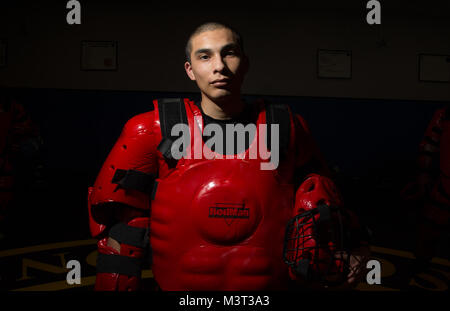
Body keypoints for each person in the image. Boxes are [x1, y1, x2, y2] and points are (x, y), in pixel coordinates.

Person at [88, 22, 370, 291]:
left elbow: (325, 202)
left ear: (245, 63)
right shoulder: (153, 129)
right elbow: (118, 230)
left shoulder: (286, 128)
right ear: (190, 69)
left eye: (229, 53)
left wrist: (355, 246)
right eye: (205, 56)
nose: (219, 66)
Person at [402, 104, 450, 273]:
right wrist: (423, 175)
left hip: (444, 186)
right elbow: (429, 146)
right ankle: (421, 261)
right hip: (444, 187)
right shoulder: (444, 115)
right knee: (429, 229)